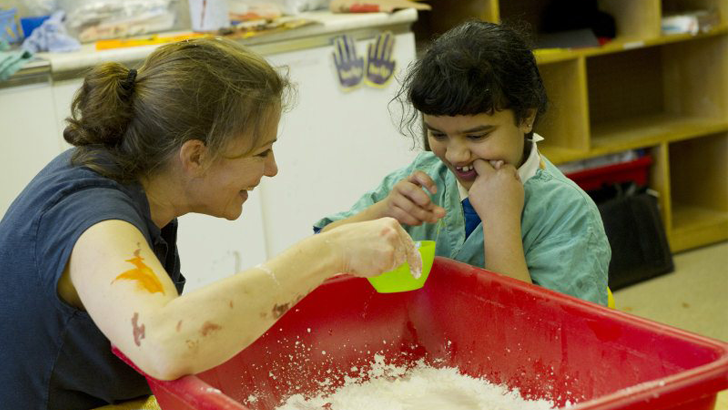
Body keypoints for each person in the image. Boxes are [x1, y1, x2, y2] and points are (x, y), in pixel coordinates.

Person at [0, 38, 421, 410]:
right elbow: (165, 343)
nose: (272, 169)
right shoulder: (95, 220)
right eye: (261, 152)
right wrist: (330, 252)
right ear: (195, 156)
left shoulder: (124, 171)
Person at [315, 21, 611, 305]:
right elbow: (318, 255)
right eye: (438, 134)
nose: (455, 155)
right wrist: (383, 211)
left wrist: (500, 222)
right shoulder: (425, 175)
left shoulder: (569, 213)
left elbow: (545, 338)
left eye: (477, 135)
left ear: (526, 117)